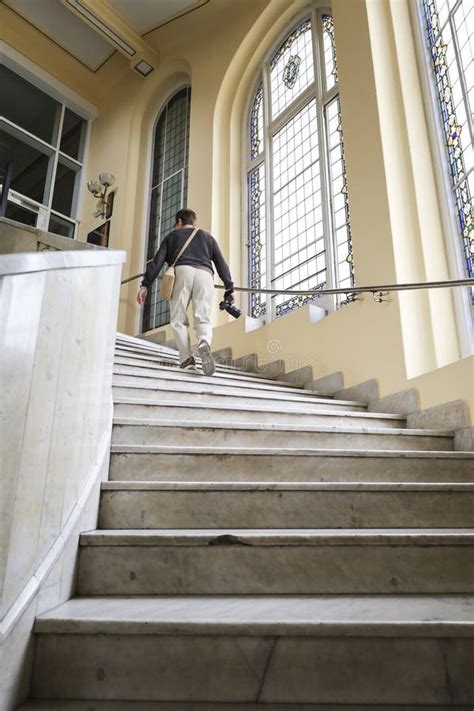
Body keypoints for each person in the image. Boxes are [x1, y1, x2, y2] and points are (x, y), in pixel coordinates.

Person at [137, 209, 234, 375]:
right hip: (205, 274)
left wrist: (145, 284)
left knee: (178, 318)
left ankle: (187, 359)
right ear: (194, 222)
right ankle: (204, 341)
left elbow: (157, 262)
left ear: (179, 222)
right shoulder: (207, 237)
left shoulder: (173, 236)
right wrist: (229, 288)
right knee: (203, 316)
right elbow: (221, 263)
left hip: (182, 272)